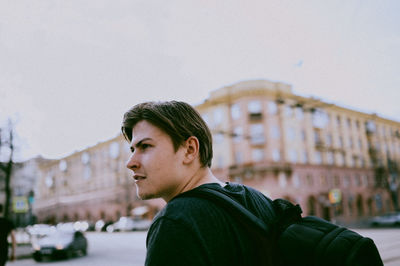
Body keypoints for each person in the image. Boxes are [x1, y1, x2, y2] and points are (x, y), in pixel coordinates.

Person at [122, 101, 277, 266]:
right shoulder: (256, 199)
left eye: (145, 146)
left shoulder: (175, 221)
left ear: (189, 150)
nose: (130, 163)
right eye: (132, 150)